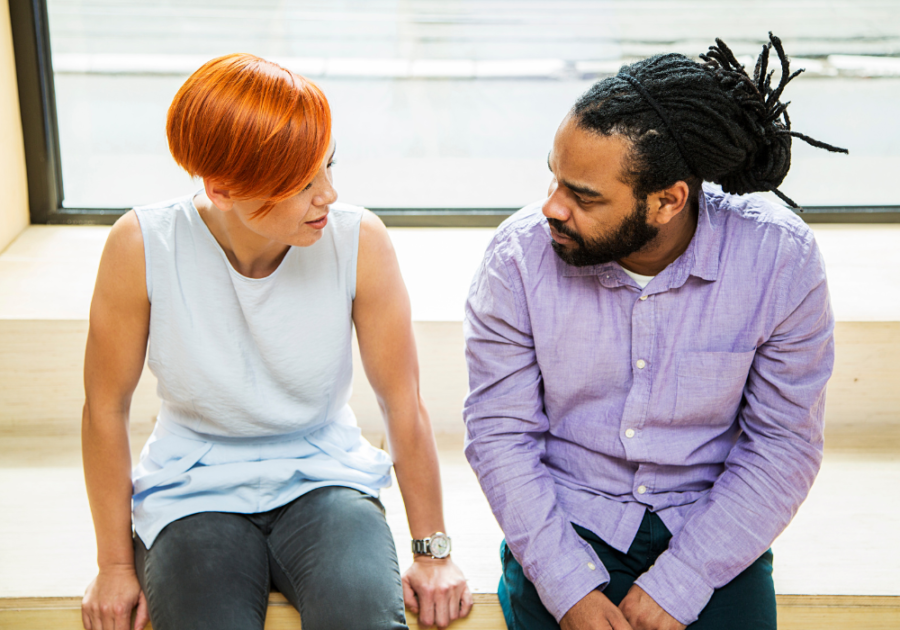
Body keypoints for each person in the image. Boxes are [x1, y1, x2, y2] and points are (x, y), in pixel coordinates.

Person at [463, 34, 847, 630]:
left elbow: (783, 445)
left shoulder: (779, 259)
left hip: (710, 526)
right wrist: (567, 589)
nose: (551, 209)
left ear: (668, 201)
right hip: (566, 523)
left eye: (583, 196)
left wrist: (683, 581)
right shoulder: (517, 260)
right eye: (555, 180)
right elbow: (500, 435)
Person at [80, 53, 472, 630]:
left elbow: (401, 400)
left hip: (325, 476)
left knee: (362, 616)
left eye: (328, 167)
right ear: (222, 188)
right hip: (192, 486)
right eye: (301, 184)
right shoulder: (142, 245)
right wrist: (113, 564)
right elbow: (105, 408)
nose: (329, 196)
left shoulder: (359, 240)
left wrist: (431, 550)